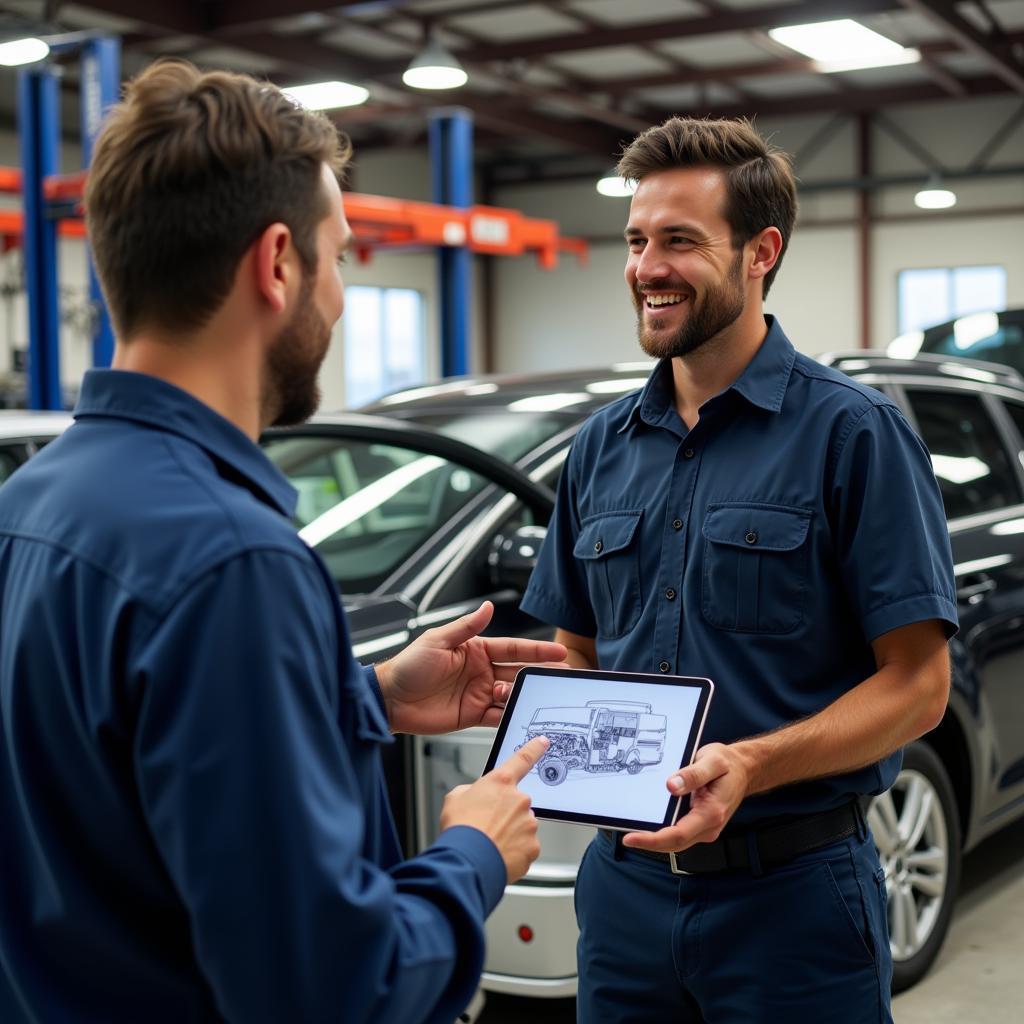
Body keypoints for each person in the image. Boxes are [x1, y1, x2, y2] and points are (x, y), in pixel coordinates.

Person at [0, 59, 565, 1024]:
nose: (342, 297)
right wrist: (473, 852)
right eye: (339, 256)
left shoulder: (31, 502)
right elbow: (330, 988)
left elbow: (114, 770)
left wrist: (365, 699)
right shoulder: (233, 560)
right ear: (276, 264)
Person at [520, 116, 957, 1023]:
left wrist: (752, 766)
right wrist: (510, 697)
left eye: (680, 240)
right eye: (637, 240)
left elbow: (918, 686)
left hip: (792, 900)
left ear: (762, 252)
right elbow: (579, 655)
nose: (646, 268)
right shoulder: (599, 449)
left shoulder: (852, 434)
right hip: (624, 892)